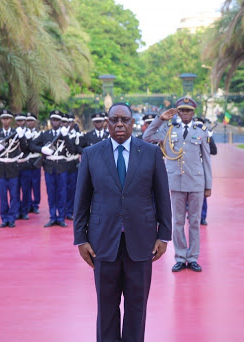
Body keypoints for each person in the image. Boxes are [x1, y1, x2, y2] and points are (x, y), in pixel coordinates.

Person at [74, 102, 172, 342]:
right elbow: (82, 199)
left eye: (124, 120)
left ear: (132, 123)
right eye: (114, 120)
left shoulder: (150, 153)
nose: (119, 124)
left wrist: (164, 235)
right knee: (106, 308)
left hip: (141, 242)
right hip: (102, 243)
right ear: (107, 123)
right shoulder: (91, 154)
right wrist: (81, 238)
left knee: (136, 308)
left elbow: (162, 195)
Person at [143, 96, 212, 272]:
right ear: (177, 112)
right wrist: (160, 119)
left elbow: (207, 160)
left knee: (195, 222)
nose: (185, 113)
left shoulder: (201, 131)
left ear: (193, 112)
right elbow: (147, 136)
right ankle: (181, 257)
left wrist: (208, 185)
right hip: (176, 181)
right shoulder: (169, 129)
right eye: (182, 110)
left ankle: (193, 257)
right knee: (178, 221)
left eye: (188, 110)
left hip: (196, 181)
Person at [30, 110, 76, 227]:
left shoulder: (65, 134)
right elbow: (32, 145)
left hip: (61, 165)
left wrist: (65, 136)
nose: (55, 122)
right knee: (51, 193)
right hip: (49, 166)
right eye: (53, 120)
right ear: (51, 121)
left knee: (62, 192)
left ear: (61, 121)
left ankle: (61, 217)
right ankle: (52, 217)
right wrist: (42, 150)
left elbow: (71, 150)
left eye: (57, 120)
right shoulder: (45, 135)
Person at [193, 117, 217, 225]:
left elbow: (214, 151)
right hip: (190, 167)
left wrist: (210, 138)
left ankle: (202, 216)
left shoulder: (206, 135)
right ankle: (192, 213)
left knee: (202, 195)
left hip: (201, 168)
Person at [23, 112, 42, 214]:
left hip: (35, 160)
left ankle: (35, 204)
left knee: (36, 184)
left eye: (31, 121)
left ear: (35, 122)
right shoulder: (23, 133)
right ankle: (28, 204)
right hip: (26, 160)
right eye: (27, 121)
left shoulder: (39, 134)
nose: (29, 123)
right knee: (26, 184)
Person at [14, 113, 30, 220]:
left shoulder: (28, 133)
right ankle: (16, 210)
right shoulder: (12, 133)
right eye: (18, 121)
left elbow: (28, 148)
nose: (20, 123)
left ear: (25, 121)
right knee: (15, 190)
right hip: (14, 164)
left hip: (25, 163)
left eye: (22, 121)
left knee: (25, 190)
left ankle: (24, 211)